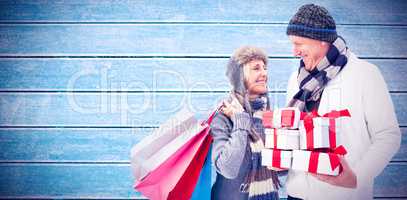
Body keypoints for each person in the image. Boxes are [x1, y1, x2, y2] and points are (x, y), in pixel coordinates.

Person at [284, 4, 401, 200]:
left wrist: (357, 177)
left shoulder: (364, 74)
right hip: (296, 194)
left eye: (299, 43)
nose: (293, 51)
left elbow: (388, 136)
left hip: (343, 194)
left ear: (321, 40)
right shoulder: (296, 78)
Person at [210, 46, 281, 200]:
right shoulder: (223, 117)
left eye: (265, 68)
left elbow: (278, 169)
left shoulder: (267, 114)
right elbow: (227, 168)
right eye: (256, 68)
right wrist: (240, 121)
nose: (264, 73)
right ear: (240, 77)